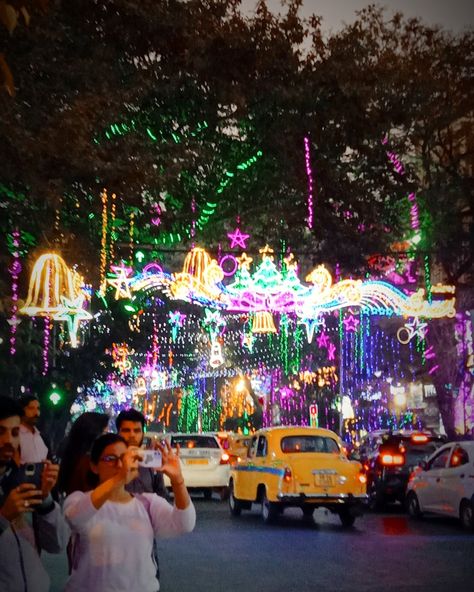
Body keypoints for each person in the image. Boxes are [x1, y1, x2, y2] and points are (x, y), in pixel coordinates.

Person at [63, 433, 195, 591]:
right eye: (110, 459)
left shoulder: (147, 503)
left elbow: (184, 524)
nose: (120, 465)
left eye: (124, 458)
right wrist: (119, 478)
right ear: (94, 466)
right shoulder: (78, 500)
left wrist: (178, 480)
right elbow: (75, 517)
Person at [0, 396, 66, 592]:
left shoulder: (17, 483)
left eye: (14, 433)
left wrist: (44, 500)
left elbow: (57, 545)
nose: (8, 441)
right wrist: (4, 517)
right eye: (0, 432)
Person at [116, 408, 167, 498]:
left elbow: (162, 494)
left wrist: (177, 480)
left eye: (137, 431)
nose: (132, 435)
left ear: (143, 434)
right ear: (118, 432)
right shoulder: (110, 461)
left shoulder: (151, 460)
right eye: (126, 430)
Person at [57, 411, 109, 496]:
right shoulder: (87, 464)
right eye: (105, 433)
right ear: (93, 435)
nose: (107, 439)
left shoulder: (72, 456)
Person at [19, 395, 49, 463]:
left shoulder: (43, 438)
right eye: (31, 408)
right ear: (21, 410)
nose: (36, 413)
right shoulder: (15, 435)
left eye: (38, 408)